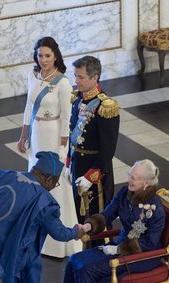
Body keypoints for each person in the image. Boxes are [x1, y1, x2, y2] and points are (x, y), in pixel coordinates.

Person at [0, 151, 86, 283]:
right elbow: (60, 234)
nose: (53, 187)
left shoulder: (8, 175)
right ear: (49, 179)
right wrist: (76, 231)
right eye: (55, 183)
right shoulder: (44, 200)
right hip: (9, 254)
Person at [60, 159, 165, 283]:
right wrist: (87, 227)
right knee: (74, 260)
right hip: (120, 247)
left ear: (146, 183)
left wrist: (118, 249)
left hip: (142, 257)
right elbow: (108, 214)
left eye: (134, 178)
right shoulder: (124, 192)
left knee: (87, 269)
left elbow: (150, 243)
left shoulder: (154, 208)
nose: (129, 180)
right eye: (130, 175)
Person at [17, 36, 81, 257]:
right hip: (37, 134)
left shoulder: (62, 82)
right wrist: (23, 135)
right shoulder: (32, 75)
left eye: (47, 55)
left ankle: (61, 241)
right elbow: (28, 106)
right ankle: (37, 236)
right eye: (40, 55)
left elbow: (66, 117)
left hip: (54, 134)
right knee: (35, 181)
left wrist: (63, 150)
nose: (43, 59)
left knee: (55, 181)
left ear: (55, 56)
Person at [66, 55, 120, 224]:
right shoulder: (78, 99)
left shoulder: (105, 107)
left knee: (96, 221)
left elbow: (107, 150)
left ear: (94, 77)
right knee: (80, 217)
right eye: (75, 76)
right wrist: (69, 164)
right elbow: (73, 134)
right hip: (77, 166)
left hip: (96, 173)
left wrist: (91, 177)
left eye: (80, 77)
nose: (76, 81)